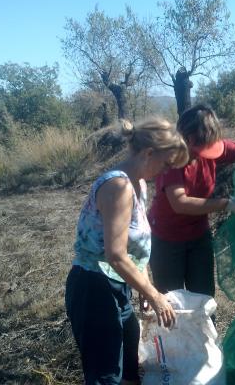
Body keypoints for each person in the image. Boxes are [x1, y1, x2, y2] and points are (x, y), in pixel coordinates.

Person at [65, 119, 189, 385]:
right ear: (148, 154)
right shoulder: (118, 187)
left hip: (116, 287)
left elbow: (134, 247)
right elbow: (116, 255)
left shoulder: (139, 184)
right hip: (94, 288)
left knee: (130, 369)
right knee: (106, 374)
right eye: (166, 164)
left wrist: (145, 286)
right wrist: (154, 295)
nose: (165, 171)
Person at [148, 104, 235, 300]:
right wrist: (227, 203)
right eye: (202, 147)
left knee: (204, 299)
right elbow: (180, 203)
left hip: (198, 236)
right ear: (187, 140)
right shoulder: (171, 159)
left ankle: (204, 331)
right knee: (173, 303)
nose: (207, 153)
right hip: (167, 241)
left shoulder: (209, 147)